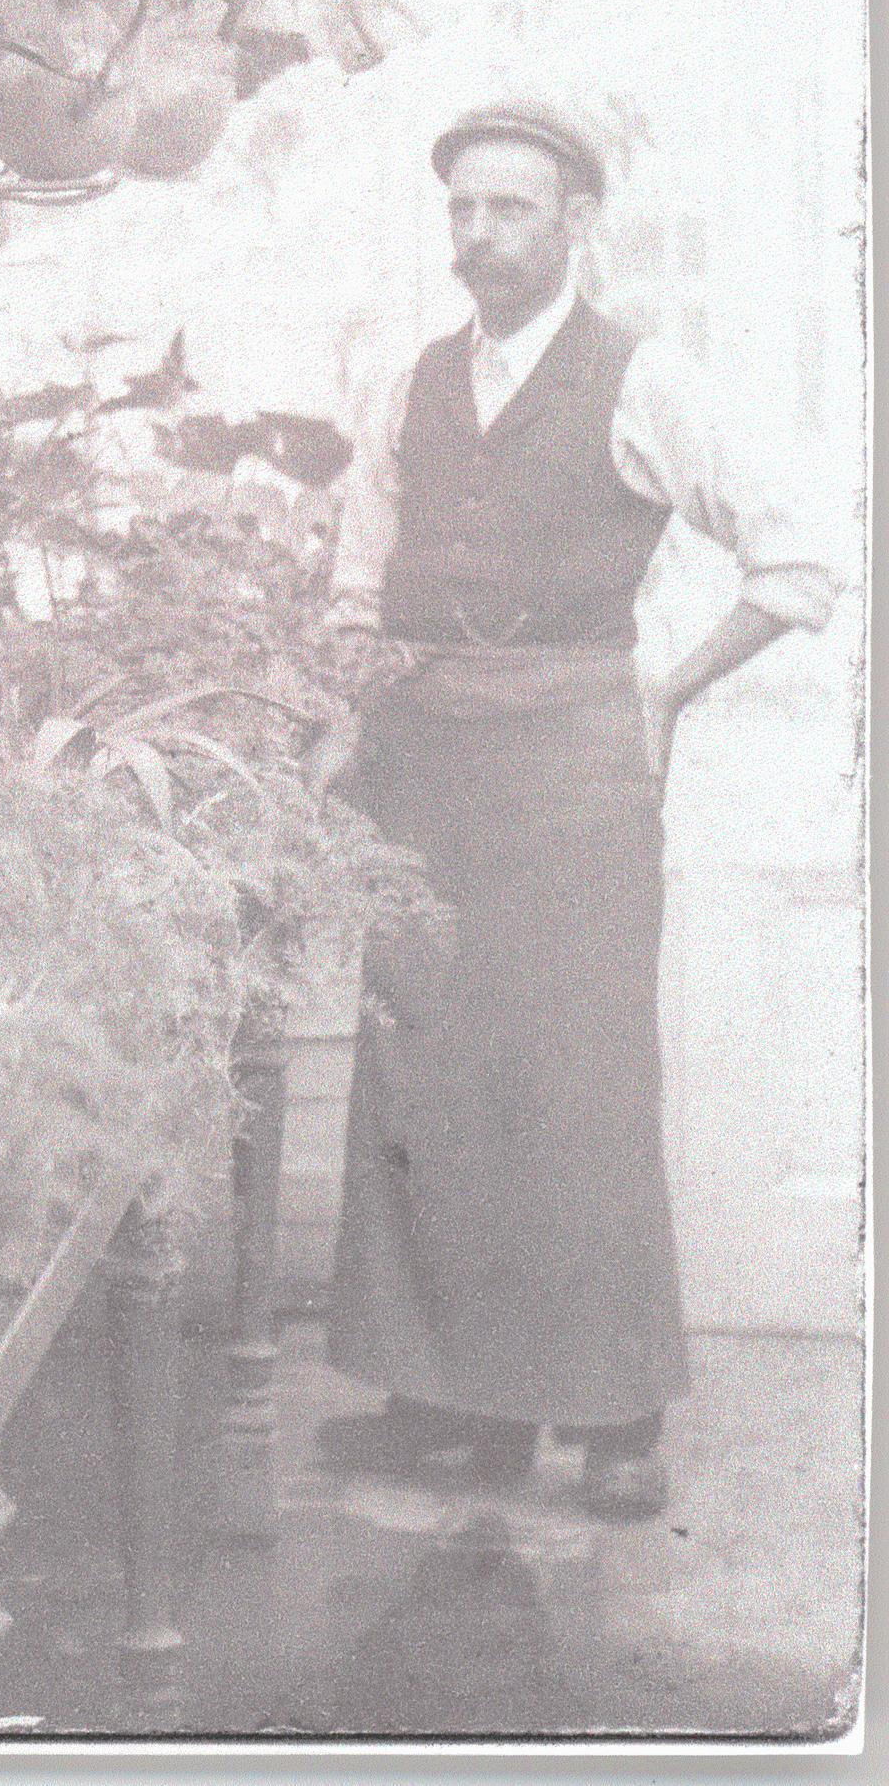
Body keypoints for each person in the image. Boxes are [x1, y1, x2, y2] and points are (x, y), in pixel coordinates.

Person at [315, 96, 841, 1521]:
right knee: (424, 1078)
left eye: (511, 210)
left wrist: (667, 689)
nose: (481, 237)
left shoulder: (641, 377)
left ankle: (610, 1420)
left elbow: (798, 565)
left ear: (576, 225)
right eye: (464, 212)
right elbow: (359, 579)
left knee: (575, 1086)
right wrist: (353, 708)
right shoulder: (412, 381)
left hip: (571, 766)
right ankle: (440, 1399)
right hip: (422, 762)